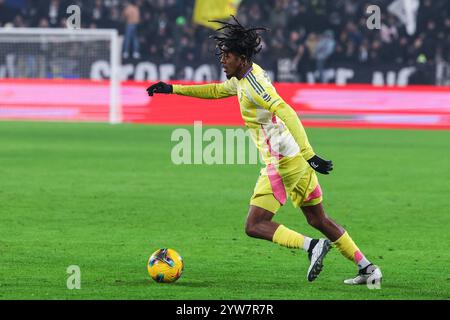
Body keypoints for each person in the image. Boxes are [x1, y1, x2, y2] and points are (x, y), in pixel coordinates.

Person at [146, 16, 382, 285]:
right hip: (293, 158)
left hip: (282, 161)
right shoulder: (242, 78)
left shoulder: (256, 85)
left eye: (227, 56)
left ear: (242, 57)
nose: (222, 61)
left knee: (254, 225)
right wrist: (172, 88)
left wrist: (309, 154)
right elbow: (216, 90)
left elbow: (286, 110)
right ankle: (368, 268)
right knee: (319, 218)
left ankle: (312, 247)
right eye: (222, 55)